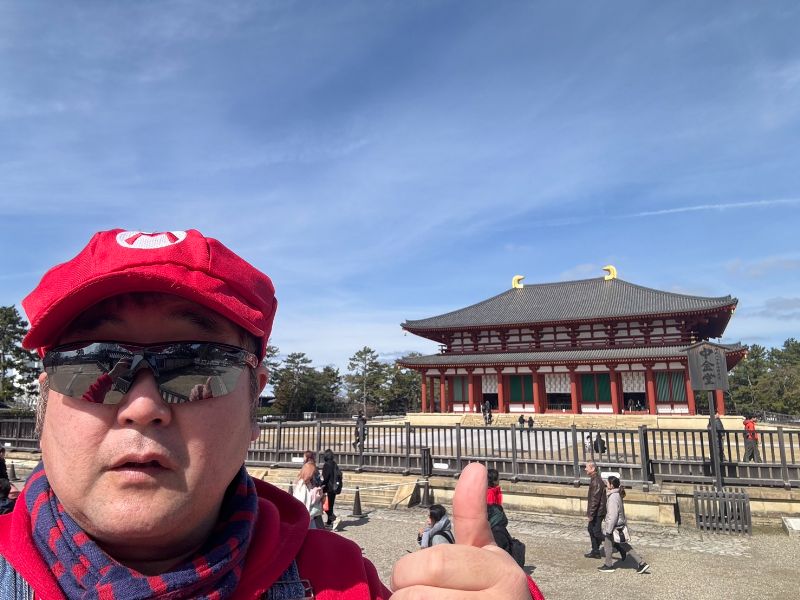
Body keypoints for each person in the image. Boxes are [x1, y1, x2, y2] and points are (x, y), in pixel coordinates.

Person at [0, 228, 541, 599]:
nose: (142, 407)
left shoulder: (341, 584)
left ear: (254, 401)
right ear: (45, 400)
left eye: (197, 366)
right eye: (91, 366)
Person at [598, 476, 650, 574]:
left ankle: (609, 565)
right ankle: (641, 563)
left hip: (614, 526)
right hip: (618, 525)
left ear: (611, 485)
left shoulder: (613, 497)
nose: (606, 484)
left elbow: (613, 515)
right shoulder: (617, 494)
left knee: (609, 546)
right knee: (623, 545)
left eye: (608, 483)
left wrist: (609, 529)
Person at [584, 460, 606, 558]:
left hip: (598, 512)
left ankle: (616, 544)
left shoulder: (596, 481)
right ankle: (595, 550)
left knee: (597, 532)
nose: (585, 469)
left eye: (587, 467)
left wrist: (591, 514)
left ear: (592, 469)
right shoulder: (594, 479)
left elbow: (595, 500)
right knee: (591, 529)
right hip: (597, 511)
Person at [293, 462, 325, 529]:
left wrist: (317, 495)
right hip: (304, 517)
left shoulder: (308, 483)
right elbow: (301, 503)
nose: (313, 475)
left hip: (310, 516)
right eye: (312, 473)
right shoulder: (302, 485)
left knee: (314, 532)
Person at [321, 448, 343, 530]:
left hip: (328, 488)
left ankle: (334, 519)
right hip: (334, 487)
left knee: (324, 505)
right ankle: (329, 522)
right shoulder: (334, 464)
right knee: (330, 505)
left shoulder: (326, 465)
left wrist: (321, 485)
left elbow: (326, 478)